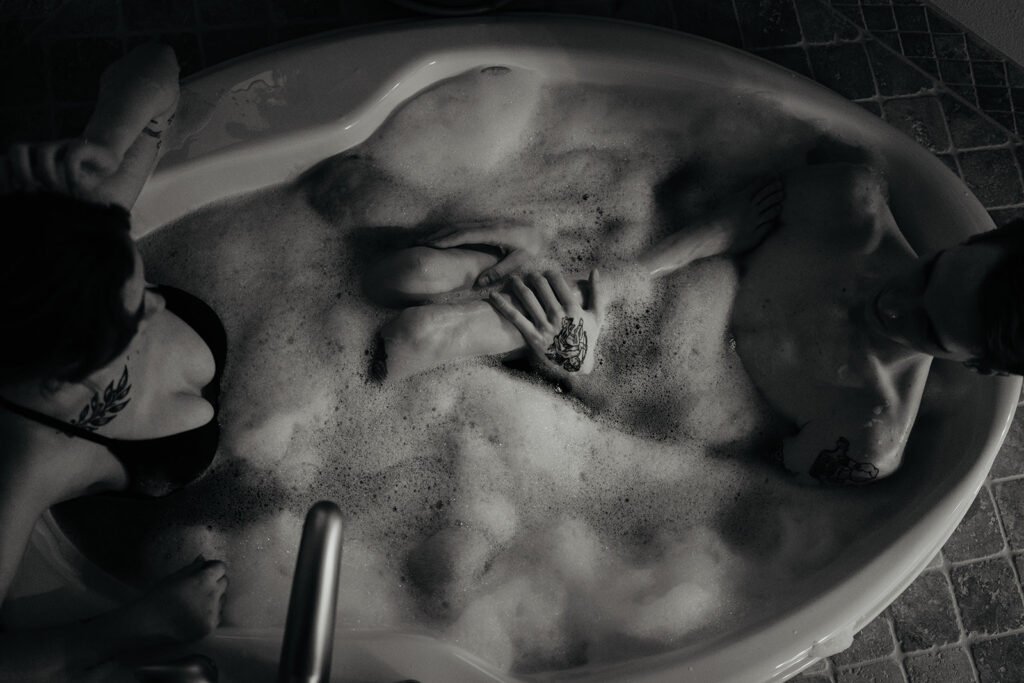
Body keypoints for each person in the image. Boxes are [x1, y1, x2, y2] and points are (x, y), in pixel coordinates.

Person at [370, 159, 1021, 486]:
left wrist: (579, 368)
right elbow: (682, 200)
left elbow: (725, 470)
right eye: (930, 273)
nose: (893, 306)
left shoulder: (866, 433)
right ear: (969, 244)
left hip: (618, 387)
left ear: (975, 364)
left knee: (412, 337)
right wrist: (609, 263)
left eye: (927, 329)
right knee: (404, 273)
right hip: (618, 281)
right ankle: (522, 247)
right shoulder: (842, 202)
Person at [0, 45, 228, 681]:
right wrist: (125, 629)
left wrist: (104, 142)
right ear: (62, 374)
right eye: (133, 316)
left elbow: (157, 67)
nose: (156, 305)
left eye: (139, 282)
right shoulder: (19, 468)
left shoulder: (74, 258)